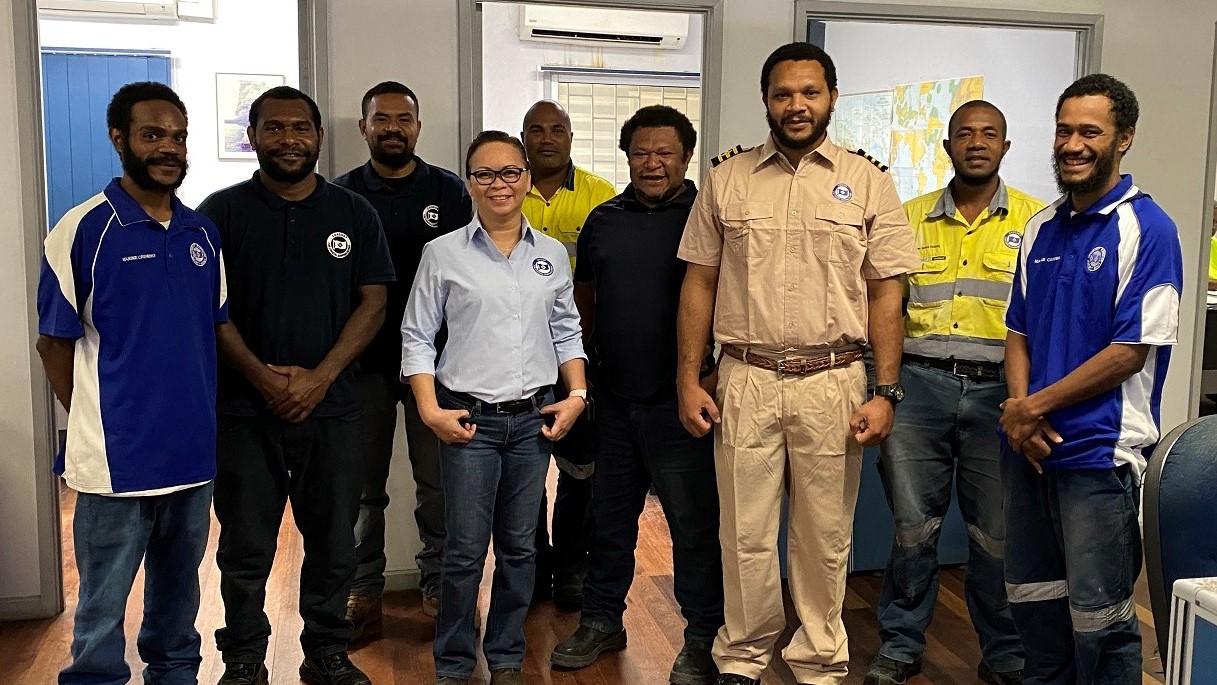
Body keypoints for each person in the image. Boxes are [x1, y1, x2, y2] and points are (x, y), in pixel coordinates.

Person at [675, 42, 919, 685]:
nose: (797, 105)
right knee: (744, 533)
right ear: (766, 101)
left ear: (832, 97)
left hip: (833, 380)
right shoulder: (727, 180)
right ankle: (744, 654)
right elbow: (699, 282)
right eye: (784, 94)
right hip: (745, 378)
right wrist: (686, 377)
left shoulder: (869, 181)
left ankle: (817, 657)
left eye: (810, 92)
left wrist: (884, 389)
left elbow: (886, 291)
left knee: (824, 537)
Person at [200, 86, 395, 685]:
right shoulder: (220, 213)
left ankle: (327, 654)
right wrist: (264, 379)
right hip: (242, 411)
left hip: (333, 408)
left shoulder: (354, 213)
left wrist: (320, 377)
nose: (289, 139)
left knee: (336, 542)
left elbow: (375, 300)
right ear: (252, 136)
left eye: (301, 128)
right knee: (245, 547)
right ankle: (243, 660)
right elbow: (209, 309)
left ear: (318, 136)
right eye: (274, 128)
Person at [36, 81, 226, 685]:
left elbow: (213, 328)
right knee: (100, 612)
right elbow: (53, 342)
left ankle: (175, 675)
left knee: (179, 608)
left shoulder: (202, 234)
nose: (168, 147)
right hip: (115, 467)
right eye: (152, 135)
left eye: (177, 136)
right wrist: (95, 415)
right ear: (119, 139)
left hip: (192, 459)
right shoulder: (83, 230)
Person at [1000, 73, 1182, 685]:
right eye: (1063, 130)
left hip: (1099, 458)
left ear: (1123, 139)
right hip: (1030, 453)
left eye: (1090, 132)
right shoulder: (1039, 228)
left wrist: (1031, 409)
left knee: (1100, 624)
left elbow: (1129, 350)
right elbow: (1018, 330)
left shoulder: (1148, 229)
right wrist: (1022, 411)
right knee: (1035, 605)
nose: (1072, 144)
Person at [402, 130, 588, 685]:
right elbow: (416, 337)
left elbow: (566, 331)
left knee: (519, 549)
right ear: (470, 183)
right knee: (462, 553)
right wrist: (430, 410)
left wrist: (576, 396)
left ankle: (506, 655)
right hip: (468, 423)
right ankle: (456, 663)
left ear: (527, 179)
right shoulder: (443, 253)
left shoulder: (551, 254)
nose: (498, 184)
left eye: (510, 172)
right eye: (485, 174)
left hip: (534, 421)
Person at [865, 101, 1040, 685]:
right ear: (947, 146)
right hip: (919, 391)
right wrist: (883, 387)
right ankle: (900, 642)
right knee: (914, 527)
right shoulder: (907, 219)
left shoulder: (1039, 223)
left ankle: (1006, 653)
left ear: (1006, 147)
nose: (977, 142)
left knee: (996, 534)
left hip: (1000, 399)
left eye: (990, 133)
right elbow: (883, 307)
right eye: (965, 133)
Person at [549, 105, 724, 685]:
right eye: (641, 153)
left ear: (686, 157)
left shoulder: (710, 215)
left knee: (693, 529)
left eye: (665, 153)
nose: (653, 164)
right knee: (610, 522)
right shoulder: (603, 220)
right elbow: (585, 303)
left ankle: (702, 635)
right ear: (626, 156)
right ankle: (602, 620)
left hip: (683, 403)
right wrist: (583, 378)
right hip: (614, 401)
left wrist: (710, 375)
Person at [333, 80, 473, 636]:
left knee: (438, 483)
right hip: (360, 367)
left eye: (404, 119)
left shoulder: (451, 192)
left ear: (418, 126)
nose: (393, 128)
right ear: (363, 126)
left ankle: (439, 584)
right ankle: (362, 589)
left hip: (437, 369)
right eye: (381, 118)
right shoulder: (340, 195)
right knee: (362, 486)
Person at [520, 99, 615, 610]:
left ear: (571, 137)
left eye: (558, 129)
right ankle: (531, 566)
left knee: (582, 468)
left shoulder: (601, 197)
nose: (548, 138)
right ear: (524, 138)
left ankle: (572, 565)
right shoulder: (506, 192)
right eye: (537, 130)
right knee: (526, 468)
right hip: (517, 360)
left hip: (581, 355)